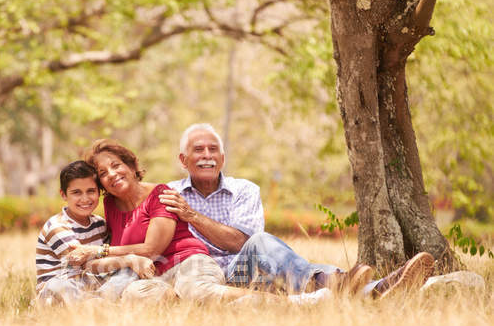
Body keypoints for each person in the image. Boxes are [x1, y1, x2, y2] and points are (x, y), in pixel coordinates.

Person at [159, 123, 434, 296]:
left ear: (222, 157)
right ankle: (357, 284)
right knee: (297, 271)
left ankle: (379, 289)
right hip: (209, 280)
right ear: (184, 160)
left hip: (249, 273)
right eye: (198, 150)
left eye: (213, 149)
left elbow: (240, 243)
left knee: (278, 258)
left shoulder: (244, 190)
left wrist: (192, 215)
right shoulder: (168, 194)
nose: (207, 155)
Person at [67, 139, 280, 304]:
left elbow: (151, 249)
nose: (112, 174)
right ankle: (186, 303)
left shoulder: (161, 194)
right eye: (103, 173)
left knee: (197, 290)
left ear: (132, 166)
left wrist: (98, 251)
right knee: (134, 296)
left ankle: (282, 302)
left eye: (116, 165)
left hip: (188, 263)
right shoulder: (111, 204)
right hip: (154, 277)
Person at [35, 160, 156, 306]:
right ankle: (99, 304)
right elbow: (86, 264)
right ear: (64, 195)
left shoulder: (99, 223)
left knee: (129, 272)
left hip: (94, 287)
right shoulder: (57, 226)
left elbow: (108, 258)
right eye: (76, 193)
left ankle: (99, 302)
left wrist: (129, 263)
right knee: (58, 286)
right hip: (64, 287)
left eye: (91, 191)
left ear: (99, 192)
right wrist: (129, 259)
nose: (85, 199)